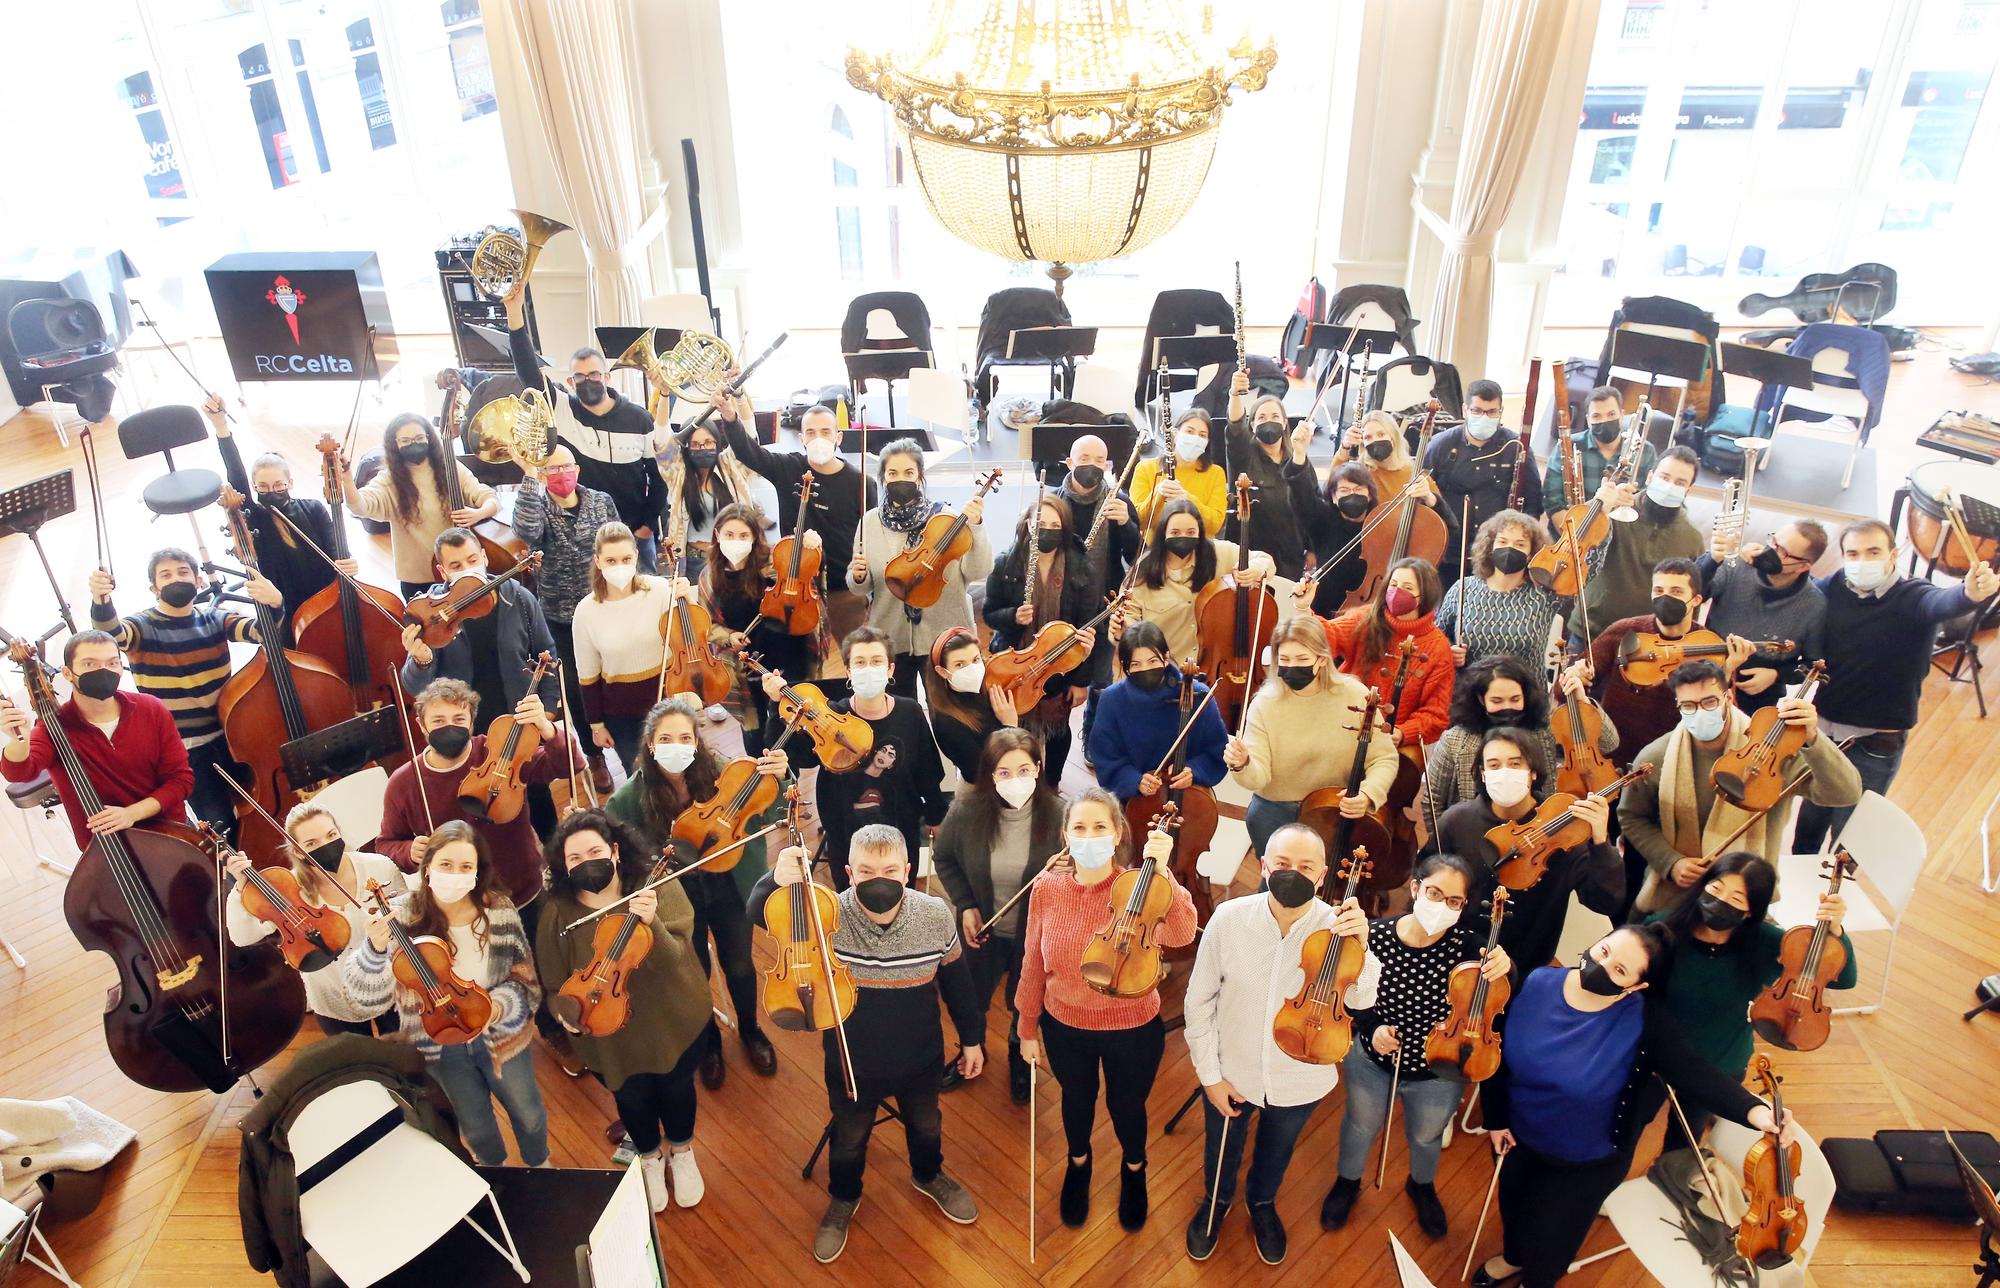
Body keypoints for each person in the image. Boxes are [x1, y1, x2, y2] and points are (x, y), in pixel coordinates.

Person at [1475, 924, 1799, 1288]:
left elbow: (1695, 1071)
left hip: (1587, 1160)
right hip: (1519, 1136)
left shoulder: (1645, 1023)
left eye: (1620, 971)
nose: (1603, 965)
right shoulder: (1536, 982)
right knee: (1514, 1205)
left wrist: (1755, 1111)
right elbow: (1495, 1056)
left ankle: (1536, 1281)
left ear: (1636, 986)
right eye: (1605, 952)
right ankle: (1514, 1257)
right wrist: (1497, 1120)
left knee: (1553, 1237)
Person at [749, 826, 986, 1263]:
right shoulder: (825, 915)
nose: (880, 878)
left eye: (891, 869)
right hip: (851, 1063)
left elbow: (958, 985)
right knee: (849, 1139)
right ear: (848, 873)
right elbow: (762, 914)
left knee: (927, 1125)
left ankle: (928, 1175)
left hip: (921, 1058)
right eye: (867, 870)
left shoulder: (935, 915)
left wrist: (972, 1040)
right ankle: (844, 1196)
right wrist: (775, 880)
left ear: (909, 871)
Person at [1182, 822, 1379, 1264]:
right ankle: (1216, 1201)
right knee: (1222, 1148)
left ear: (1323, 873)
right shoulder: (1229, 920)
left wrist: (1361, 948)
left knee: (1278, 1149)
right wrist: (1211, 1079)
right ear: (1264, 865)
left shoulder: (1339, 929)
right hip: (1232, 1070)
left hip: (1301, 1076)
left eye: (1305, 866)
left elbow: (1363, 1000)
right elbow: (1198, 1004)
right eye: (1283, 863)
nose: (1294, 873)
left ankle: (1262, 1203)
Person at [1016, 789, 1197, 1231]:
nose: (1089, 836)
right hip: (1065, 1025)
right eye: (1079, 828)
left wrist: (1166, 874)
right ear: (1065, 835)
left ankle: (1135, 1170)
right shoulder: (1047, 887)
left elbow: (1182, 931)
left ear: (1118, 834)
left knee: (1127, 1107)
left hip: (1132, 1027)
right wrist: (1025, 1027)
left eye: (1100, 827)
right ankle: (1079, 1164)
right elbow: (1033, 961)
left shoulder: (1142, 886)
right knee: (1076, 1102)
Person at [1321, 852, 1513, 1239]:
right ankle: (1347, 1180)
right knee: (1360, 1126)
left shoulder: (1472, 950)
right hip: (1375, 1060)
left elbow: (1498, 999)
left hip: (1438, 1070)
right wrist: (1371, 1027)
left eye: (1454, 901)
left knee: (1426, 1136)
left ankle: (1421, 1184)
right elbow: (1349, 994)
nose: (1442, 906)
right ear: (1414, 887)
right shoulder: (1373, 937)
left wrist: (1507, 967)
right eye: (1435, 893)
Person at [341, 820, 551, 1168]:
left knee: (529, 1114)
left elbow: (524, 980)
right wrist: (375, 949)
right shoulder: (399, 917)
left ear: (477, 873)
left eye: (465, 867)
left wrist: (493, 1010)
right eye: (446, 866)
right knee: (475, 1127)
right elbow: (366, 1000)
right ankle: (495, 1172)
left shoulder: (497, 911)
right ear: (427, 870)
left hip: (501, 1036)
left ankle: (540, 1164)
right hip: (438, 1044)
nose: (455, 874)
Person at [536, 810, 714, 1211]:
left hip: (672, 1018)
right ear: (563, 867)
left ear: (614, 851)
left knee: (677, 1090)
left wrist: (653, 925)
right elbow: (553, 983)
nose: (587, 863)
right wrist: (565, 1012)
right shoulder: (558, 913)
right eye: (575, 859)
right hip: (608, 1035)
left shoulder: (656, 888)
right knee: (632, 1101)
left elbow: (679, 958)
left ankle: (682, 1152)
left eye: (595, 851)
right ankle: (650, 1158)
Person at [605, 698, 785, 1087]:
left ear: (697, 742)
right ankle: (710, 1043)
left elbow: (769, 812)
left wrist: (780, 777)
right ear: (651, 745)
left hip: (729, 882)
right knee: (695, 971)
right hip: (677, 894)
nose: (676, 745)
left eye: (685, 737)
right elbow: (620, 848)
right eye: (666, 739)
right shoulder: (630, 797)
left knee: (738, 964)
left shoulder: (726, 773)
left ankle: (751, 1029)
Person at [1794, 519, 2000, 852]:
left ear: (1893, 552)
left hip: (1878, 739)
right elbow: (1798, 598)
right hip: (1825, 732)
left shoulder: (1913, 596)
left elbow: (1944, 602)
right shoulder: (1831, 587)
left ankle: (1832, 896)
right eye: (1853, 553)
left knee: (1851, 836)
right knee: (1810, 820)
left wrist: (1970, 593)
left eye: (1873, 552)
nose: (1862, 561)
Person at [1647, 850, 1855, 1147]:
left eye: (1736, 900)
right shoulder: (1662, 929)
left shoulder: (1768, 942)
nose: (1720, 902)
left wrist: (1835, 930)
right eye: (1716, 889)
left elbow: (1844, 979)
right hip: (1657, 1054)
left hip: (1719, 1064)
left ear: (1750, 912)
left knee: (1684, 1143)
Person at [1621, 660, 1861, 911]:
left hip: (1746, 895)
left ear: (1727, 696)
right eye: (1689, 706)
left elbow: (1846, 793)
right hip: (1678, 892)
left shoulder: (1772, 752)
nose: (1700, 712)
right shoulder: (1656, 756)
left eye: (1710, 702)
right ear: (1678, 706)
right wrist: (1670, 862)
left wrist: (1812, 737)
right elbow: (1632, 816)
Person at [86, 549, 283, 840]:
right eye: (165, 575)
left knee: (265, 804)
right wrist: (101, 600)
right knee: (219, 824)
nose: (175, 579)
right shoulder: (142, 626)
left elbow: (259, 632)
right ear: (154, 588)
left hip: (233, 737)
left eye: (182, 572)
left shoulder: (214, 618)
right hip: (187, 751)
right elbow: (113, 636)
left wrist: (275, 603)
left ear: (199, 580)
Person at [932, 728, 1066, 1102]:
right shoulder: (966, 811)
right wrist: (966, 904)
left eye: (1024, 770)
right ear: (990, 775)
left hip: (1036, 934)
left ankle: (1019, 1053)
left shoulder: (1061, 815)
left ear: (1039, 769)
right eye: (1004, 773)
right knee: (970, 996)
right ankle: (971, 1048)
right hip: (983, 929)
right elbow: (944, 858)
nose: (1015, 780)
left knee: (1025, 1000)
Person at [769, 627, 949, 889]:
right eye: (860, 662)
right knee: (851, 900)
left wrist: (935, 815)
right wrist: (776, 707)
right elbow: (795, 756)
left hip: (901, 826)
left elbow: (928, 771)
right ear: (848, 672)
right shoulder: (829, 717)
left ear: (890, 670)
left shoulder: (910, 712)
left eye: (876, 661)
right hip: (845, 831)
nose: (869, 668)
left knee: (902, 894)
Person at [1433, 728, 1622, 975]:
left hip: (1527, 965)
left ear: (1532, 772)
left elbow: (1605, 900)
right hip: (1455, 959)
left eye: (1515, 764)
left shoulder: (1564, 830)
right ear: (1482, 773)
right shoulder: (1456, 821)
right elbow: (1427, 882)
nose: (1504, 773)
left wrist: (1600, 840)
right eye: (1494, 765)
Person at [376, 679, 578, 910]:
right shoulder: (403, 783)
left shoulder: (501, 752)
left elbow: (570, 765)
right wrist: (408, 851)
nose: (449, 727)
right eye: (438, 721)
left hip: (524, 890)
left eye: (459, 719)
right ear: (422, 725)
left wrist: (548, 729)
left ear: (471, 721)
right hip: (462, 908)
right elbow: (386, 844)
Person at [504, 283, 666, 566]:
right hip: (583, 538)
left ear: (607, 377)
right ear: (570, 382)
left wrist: (648, 525)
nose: (587, 381)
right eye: (579, 377)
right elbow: (528, 371)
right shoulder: (563, 408)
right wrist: (514, 313)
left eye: (594, 374)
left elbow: (661, 476)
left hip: (633, 534)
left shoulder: (640, 419)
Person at [223, 802, 406, 1037]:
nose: (326, 846)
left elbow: (410, 919)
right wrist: (240, 887)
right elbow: (242, 938)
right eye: (311, 844)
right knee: (360, 1068)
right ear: (298, 851)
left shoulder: (378, 868)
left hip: (390, 989)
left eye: (331, 835)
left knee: (407, 1061)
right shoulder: (287, 889)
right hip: (334, 999)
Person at [0, 631, 193, 851]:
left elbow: (180, 780)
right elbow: (19, 772)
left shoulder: (151, 709)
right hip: (107, 850)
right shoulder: (53, 729)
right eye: (90, 664)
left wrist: (131, 814)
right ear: (67, 673)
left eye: (112, 662)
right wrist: (19, 740)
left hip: (172, 833)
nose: (104, 671)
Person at [712, 398, 879, 651]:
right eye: (811, 432)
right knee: (803, 659)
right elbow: (748, 452)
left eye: (826, 432)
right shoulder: (788, 467)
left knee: (852, 654)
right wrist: (730, 417)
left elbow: (870, 536)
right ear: (801, 438)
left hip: (843, 590)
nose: (818, 438)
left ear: (839, 437)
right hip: (794, 589)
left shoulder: (862, 483)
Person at [399, 528, 566, 780]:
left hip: (516, 724)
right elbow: (415, 686)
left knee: (534, 795)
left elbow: (547, 654)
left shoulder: (519, 598)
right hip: (464, 732)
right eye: (456, 565)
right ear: (443, 572)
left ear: (485, 558)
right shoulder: (431, 613)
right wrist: (421, 658)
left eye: (472, 560)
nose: (467, 569)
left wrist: (548, 711)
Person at [1224, 617, 1397, 858]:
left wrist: (1368, 794)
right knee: (1277, 883)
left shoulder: (1356, 695)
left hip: (1333, 811)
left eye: (1302, 659)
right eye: (1284, 660)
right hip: (1275, 810)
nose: (1292, 667)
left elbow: (1384, 758)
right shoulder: (1264, 705)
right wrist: (1242, 763)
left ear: (1322, 659)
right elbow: (1258, 778)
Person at [506, 440, 622, 791]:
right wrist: (528, 475)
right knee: (576, 689)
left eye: (566, 466)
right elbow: (524, 532)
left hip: (606, 610)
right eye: (552, 469)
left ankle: (628, 741)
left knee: (616, 681)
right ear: (543, 474)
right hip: (561, 619)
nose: (562, 474)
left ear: (578, 469)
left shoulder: (601, 501)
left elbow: (621, 545)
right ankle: (595, 756)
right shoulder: (536, 506)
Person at [846, 438, 991, 697]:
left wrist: (976, 525)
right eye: (893, 473)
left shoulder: (947, 519)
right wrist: (857, 577)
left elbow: (978, 571)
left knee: (949, 716)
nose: (901, 479)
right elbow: (863, 586)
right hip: (890, 636)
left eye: (908, 473)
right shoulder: (869, 522)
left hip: (943, 636)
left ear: (920, 476)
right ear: (882, 478)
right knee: (901, 716)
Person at [981, 495, 1103, 783]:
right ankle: (1014, 779)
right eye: (1040, 523)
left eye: (1054, 524)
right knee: (1009, 727)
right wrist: (1013, 616)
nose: (1047, 529)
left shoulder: (1081, 568)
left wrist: (1080, 680)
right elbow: (989, 614)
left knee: (1057, 728)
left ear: (1064, 529)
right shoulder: (1006, 563)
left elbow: (1086, 630)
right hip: (1015, 661)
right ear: (1027, 524)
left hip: (1060, 665)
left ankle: (1052, 784)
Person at [1587, 556, 1750, 761]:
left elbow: (1721, 719)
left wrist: (1728, 670)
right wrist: (1578, 675)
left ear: (1696, 600)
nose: (1665, 598)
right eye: (1659, 591)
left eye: (1676, 592)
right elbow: (1565, 686)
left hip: (1670, 754)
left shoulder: (1710, 646)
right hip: (1613, 750)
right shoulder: (1624, 631)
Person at [206, 393, 346, 627]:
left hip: (327, 603)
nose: (272, 491)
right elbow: (236, 475)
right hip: (284, 607)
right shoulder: (254, 517)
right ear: (254, 488)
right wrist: (221, 426)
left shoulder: (314, 509)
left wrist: (346, 565)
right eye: (263, 487)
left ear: (290, 483)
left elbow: (336, 554)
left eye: (279, 485)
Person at [1423, 655, 1614, 823]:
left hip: (1538, 834)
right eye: (1497, 701)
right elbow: (1433, 802)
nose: (1507, 707)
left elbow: (1608, 743)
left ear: (1526, 696)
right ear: (1481, 700)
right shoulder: (1454, 740)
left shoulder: (1546, 730)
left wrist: (1583, 703)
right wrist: (1449, 843)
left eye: (1515, 699)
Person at [342, 413, 496, 599]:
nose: (413, 444)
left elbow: (489, 498)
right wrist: (347, 479)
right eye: (405, 440)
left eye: (419, 438)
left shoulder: (450, 467)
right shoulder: (389, 479)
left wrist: (478, 513)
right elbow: (360, 506)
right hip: (419, 578)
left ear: (429, 439)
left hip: (460, 572)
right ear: (395, 445)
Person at [701, 501, 813, 749]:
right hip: (746, 667)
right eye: (729, 534)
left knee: (790, 728)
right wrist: (729, 637)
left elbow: (807, 580)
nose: (736, 540)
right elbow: (706, 624)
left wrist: (811, 549)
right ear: (717, 534)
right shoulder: (708, 576)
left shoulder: (775, 564)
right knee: (755, 737)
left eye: (744, 535)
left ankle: (789, 781)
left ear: (754, 537)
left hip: (787, 657)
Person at [1312, 556, 1454, 751]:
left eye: (1408, 588)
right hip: (1345, 726)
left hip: (1390, 747)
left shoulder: (1438, 647)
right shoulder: (1366, 618)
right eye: (1393, 585)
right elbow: (1326, 637)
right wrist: (1304, 609)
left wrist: (1403, 732)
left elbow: (1436, 714)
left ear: (1425, 596)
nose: (1397, 592)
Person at [571, 523, 681, 774]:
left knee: (679, 774)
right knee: (641, 780)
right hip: (622, 716)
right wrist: (596, 724)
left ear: (636, 557)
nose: (619, 566)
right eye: (611, 560)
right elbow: (587, 676)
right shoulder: (586, 612)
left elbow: (687, 639)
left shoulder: (661, 591)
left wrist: (686, 599)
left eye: (625, 559)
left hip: (667, 703)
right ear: (598, 561)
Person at [1058, 433, 1142, 752]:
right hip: (1063, 605)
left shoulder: (1119, 500)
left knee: (1102, 677)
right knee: (1063, 670)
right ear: (1069, 463)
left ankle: (1093, 732)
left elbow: (1136, 556)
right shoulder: (1054, 503)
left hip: (1104, 604)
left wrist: (1126, 525)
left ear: (1107, 466)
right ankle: (1055, 729)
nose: (1091, 467)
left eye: (1098, 461)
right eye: (1083, 460)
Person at [1088, 622, 1228, 806]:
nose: (1145, 669)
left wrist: (1194, 770)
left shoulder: (1198, 695)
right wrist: (1134, 780)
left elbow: (1217, 750)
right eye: (1136, 664)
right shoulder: (1112, 700)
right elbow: (1106, 758)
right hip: (1132, 803)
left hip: (1189, 801)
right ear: (1125, 666)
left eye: (1153, 661)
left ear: (1166, 657)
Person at [1423, 378, 1544, 587]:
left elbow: (1533, 503)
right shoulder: (1440, 446)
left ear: (1500, 411)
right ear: (1464, 409)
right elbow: (1424, 499)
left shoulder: (1516, 447)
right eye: (1477, 410)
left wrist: (1518, 546)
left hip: (1498, 555)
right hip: (1450, 552)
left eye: (1491, 412)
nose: (1484, 417)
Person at [1700, 519, 1829, 714]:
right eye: (1774, 542)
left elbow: (1812, 664)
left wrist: (1776, 675)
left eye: (1782, 552)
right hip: (1705, 671)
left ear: (1803, 566)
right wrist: (1715, 559)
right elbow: (1696, 592)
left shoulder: (1814, 604)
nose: (1771, 551)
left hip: (1758, 696)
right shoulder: (1737, 565)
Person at [1575, 444, 1704, 639]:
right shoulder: (1617, 509)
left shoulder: (1692, 539)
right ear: (1650, 477)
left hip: (1647, 643)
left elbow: (1691, 600)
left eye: (1679, 483)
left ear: (1688, 489)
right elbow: (1574, 537)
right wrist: (1601, 506)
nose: (1669, 486)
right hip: (1591, 630)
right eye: (1664, 477)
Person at [1123, 498, 1272, 662]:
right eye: (1175, 533)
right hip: (1168, 670)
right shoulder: (1144, 570)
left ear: (1200, 532)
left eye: (1191, 532)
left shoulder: (1219, 552)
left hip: (1215, 666)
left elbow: (1265, 560)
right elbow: (1129, 618)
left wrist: (1255, 569)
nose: (1183, 537)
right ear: (1163, 532)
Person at [657, 395, 780, 567]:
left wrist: (740, 397)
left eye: (708, 442)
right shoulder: (678, 473)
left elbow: (749, 437)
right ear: (686, 448)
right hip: (696, 561)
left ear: (717, 442)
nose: (703, 448)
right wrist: (664, 395)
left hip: (735, 558)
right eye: (696, 444)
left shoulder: (729, 465)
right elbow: (663, 441)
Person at [1436, 510, 1567, 668]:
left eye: (1520, 544)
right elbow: (1437, 637)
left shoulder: (1544, 595)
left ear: (1532, 554)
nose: (1509, 549)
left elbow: (1588, 567)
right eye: (1503, 542)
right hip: (1468, 688)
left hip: (1524, 690)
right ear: (1490, 547)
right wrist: (1450, 652)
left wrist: (1602, 505)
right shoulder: (1464, 588)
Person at [1222, 369, 1312, 580]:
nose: (1268, 421)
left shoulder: (1297, 459)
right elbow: (1235, 428)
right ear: (1252, 425)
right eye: (1261, 417)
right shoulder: (1243, 457)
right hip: (1251, 556)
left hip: (1291, 557)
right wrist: (1235, 395)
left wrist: (1313, 547)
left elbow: (1310, 506)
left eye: (1274, 416)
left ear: (1284, 423)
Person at [922, 627, 1021, 783]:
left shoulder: (990, 685)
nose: (972, 669)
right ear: (942, 672)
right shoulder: (946, 722)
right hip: (986, 789)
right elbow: (977, 773)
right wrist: (1010, 727)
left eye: (975, 660)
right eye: (960, 665)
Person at [1541, 385, 1654, 513]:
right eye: (1596, 416)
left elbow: (1648, 502)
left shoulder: (1645, 451)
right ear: (1588, 420)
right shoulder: (1568, 446)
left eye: (1611, 414)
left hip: (1623, 529)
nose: (1604, 420)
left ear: (1622, 415)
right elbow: (1552, 502)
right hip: (1575, 525)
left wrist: (1631, 499)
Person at [1290, 461, 1376, 616]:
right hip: (1326, 610)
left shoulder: (1383, 523)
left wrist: (1430, 499)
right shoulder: (1323, 521)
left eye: (1358, 489)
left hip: (1369, 611)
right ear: (1334, 497)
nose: (1352, 494)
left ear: (1369, 494)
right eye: (1344, 490)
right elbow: (1303, 497)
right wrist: (1298, 457)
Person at [1132, 407, 1228, 533]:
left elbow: (1214, 525)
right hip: (1155, 548)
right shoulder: (1145, 468)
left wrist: (1188, 500)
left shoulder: (1216, 473)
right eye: (1189, 431)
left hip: (1198, 548)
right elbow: (1138, 520)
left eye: (1202, 435)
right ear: (1175, 434)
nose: (1195, 438)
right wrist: (1158, 495)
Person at [1341, 409, 1434, 511]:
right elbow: (1332, 493)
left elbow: (1445, 518)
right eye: (1368, 437)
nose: (1375, 440)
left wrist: (1430, 498)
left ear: (1393, 436)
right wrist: (1345, 447)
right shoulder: (1360, 472)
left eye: (1381, 434)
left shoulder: (1413, 472)